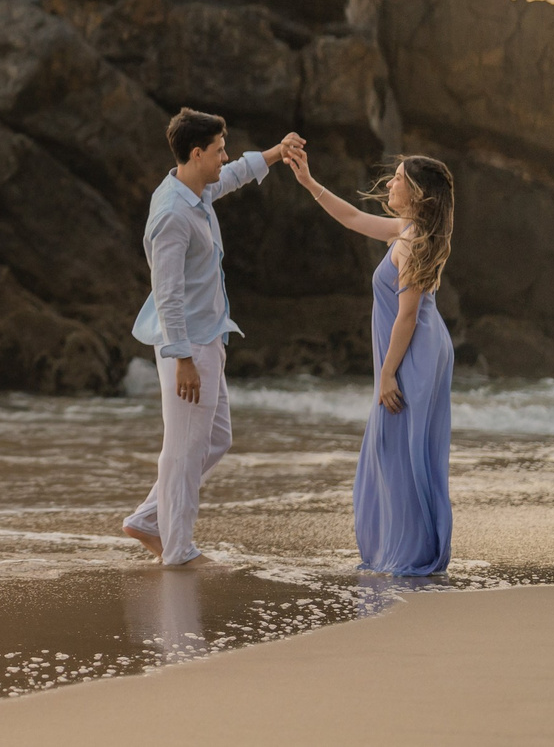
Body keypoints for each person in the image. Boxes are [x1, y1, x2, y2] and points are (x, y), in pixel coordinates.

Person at [122, 109, 306, 566]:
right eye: (220, 150)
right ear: (196, 153)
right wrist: (182, 358)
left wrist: (277, 153)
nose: (225, 157)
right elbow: (167, 293)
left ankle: (148, 518)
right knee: (183, 452)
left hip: (209, 336)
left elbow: (235, 175)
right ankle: (178, 549)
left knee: (216, 439)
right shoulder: (171, 214)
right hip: (187, 345)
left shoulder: (196, 190)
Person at [288, 148, 457, 576]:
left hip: (414, 352)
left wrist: (386, 374)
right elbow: (351, 218)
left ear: (416, 192)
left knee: (397, 448)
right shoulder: (408, 230)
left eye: (398, 178)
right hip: (421, 347)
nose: (389, 184)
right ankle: (404, 550)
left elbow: (407, 315)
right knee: (400, 448)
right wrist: (309, 182)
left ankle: (407, 555)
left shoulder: (413, 241)